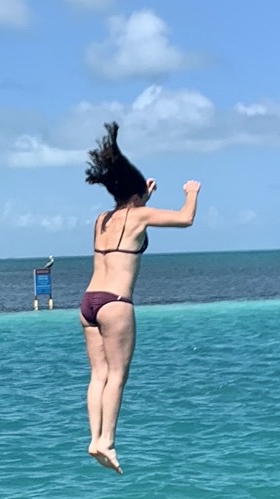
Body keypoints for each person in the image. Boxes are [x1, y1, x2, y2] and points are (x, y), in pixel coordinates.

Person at [80, 122, 200, 472]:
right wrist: (191, 192)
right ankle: (108, 442)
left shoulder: (102, 218)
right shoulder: (140, 215)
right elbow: (185, 219)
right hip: (116, 303)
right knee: (118, 375)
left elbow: (130, 218)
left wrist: (141, 196)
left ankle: (93, 438)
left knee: (98, 375)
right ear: (138, 194)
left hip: (88, 302)